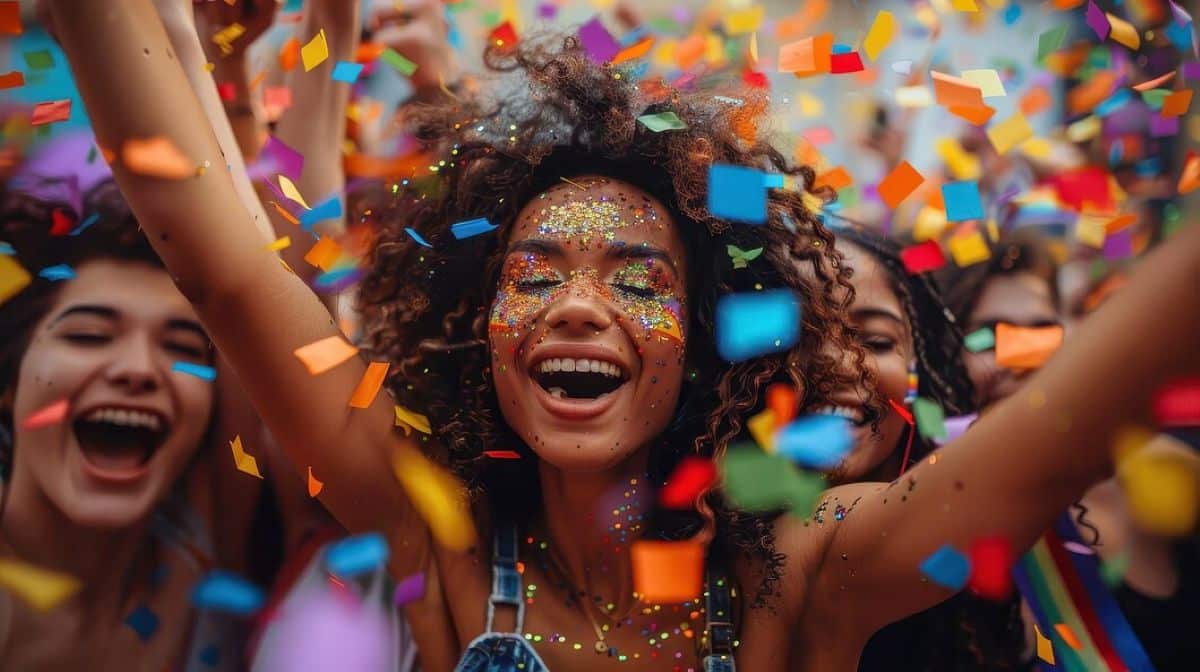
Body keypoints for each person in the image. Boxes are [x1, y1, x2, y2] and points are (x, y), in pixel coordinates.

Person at [45, 5, 1200, 669]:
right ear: (474, 336)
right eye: (532, 274)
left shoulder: (808, 574)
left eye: (637, 279)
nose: (577, 306)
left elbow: (1070, 427)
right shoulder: (433, 539)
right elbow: (226, 267)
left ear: (704, 344)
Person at [940, 231, 1200, 670]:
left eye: (1043, 331)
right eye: (988, 336)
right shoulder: (931, 532)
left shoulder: (1164, 470)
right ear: (940, 355)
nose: (1025, 356)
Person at [0, 181, 233, 670]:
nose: (139, 369)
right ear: (9, 384)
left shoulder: (215, 550)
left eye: (183, 348)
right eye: (88, 335)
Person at [826, 224, 1026, 671]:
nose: (836, 361)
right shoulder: (698, 544)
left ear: (923, 372)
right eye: (798, 334)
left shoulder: (988, 546)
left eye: (876, 341)